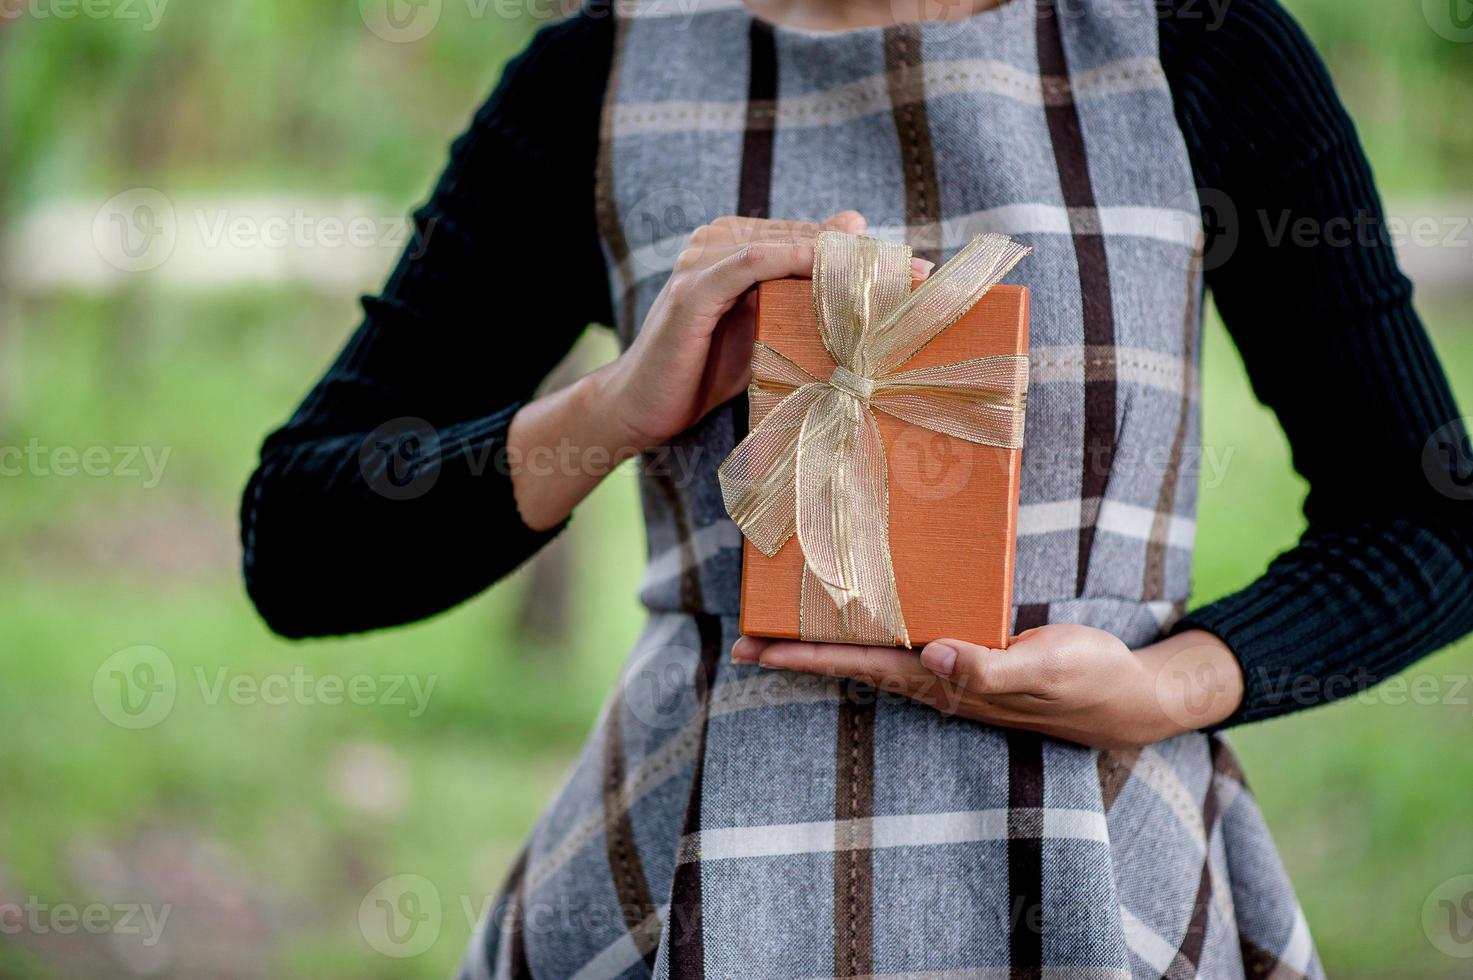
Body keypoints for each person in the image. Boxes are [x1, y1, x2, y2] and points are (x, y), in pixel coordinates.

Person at [241, 0, 1473, 974]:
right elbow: (297, 544)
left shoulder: (1198, 45)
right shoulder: (602, 75)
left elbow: (1431, 515)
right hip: (690, 902)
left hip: (1109, 890)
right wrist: (614, 410)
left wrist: (1163, 686)